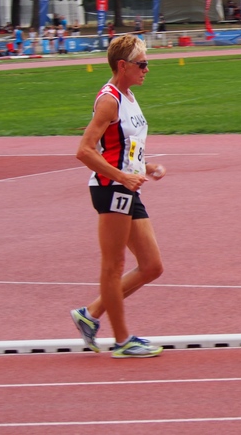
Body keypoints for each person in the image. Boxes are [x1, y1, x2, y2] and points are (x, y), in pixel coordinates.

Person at [71, 34, 167, 359]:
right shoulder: (109, 99)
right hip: (111, 188)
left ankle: (90, 313)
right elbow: (84, 150)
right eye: (142, 64)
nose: (147, 69)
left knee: (152, 266)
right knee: (113, 266)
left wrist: (145, 165)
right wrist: (123, 175)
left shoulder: (127, 95)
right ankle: (123, 340)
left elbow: (123, 145)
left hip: (127, 185)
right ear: (122, 65)